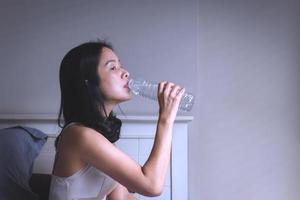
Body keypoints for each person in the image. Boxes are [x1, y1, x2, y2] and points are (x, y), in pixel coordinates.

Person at [49, 40, 185, 200]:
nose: (125, 72)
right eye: (113, 67)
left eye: (120, 65)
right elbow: (152, 186)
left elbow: (120, 196)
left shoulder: (101, 137)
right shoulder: (79, 135)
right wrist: (166, 117)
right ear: (88, 82)